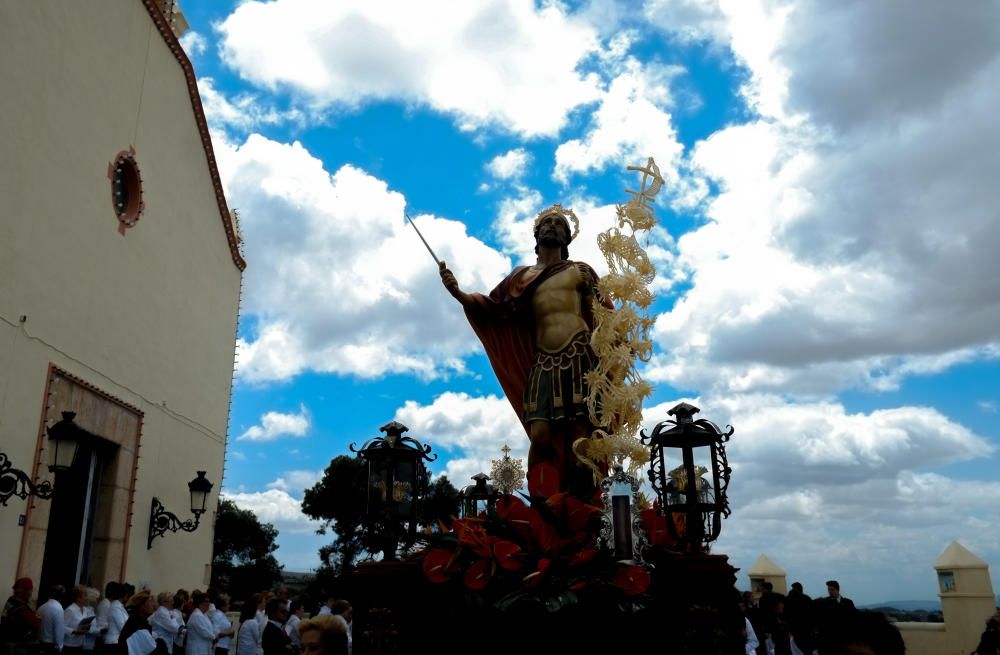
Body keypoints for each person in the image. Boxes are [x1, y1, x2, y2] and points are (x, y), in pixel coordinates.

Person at [440, 204, 611, 497]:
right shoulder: (521, 278)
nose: (553, 225)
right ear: (537, 234)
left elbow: (605, 315)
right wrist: (457, 293)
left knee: (580, 439)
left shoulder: (579, 270)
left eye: (559, 223)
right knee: (541, 436)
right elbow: (492, 308)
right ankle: (541, 504)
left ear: (567, 239)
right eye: (547, 222)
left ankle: (585, 510)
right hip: (544, 360)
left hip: (581, 357)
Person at [2, 577, 41, 646]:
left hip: (7, 639)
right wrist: (36, 618)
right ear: (24, 592)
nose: (31, 593)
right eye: (30, 590)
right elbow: (36, 625)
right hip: (18, 644)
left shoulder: (11, 600)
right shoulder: (22, 609)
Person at [64, 586, 98, 655]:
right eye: (85, 596)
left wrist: (87, 627)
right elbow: (62, 627)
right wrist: (74, 631)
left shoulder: (85, 609)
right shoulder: (70, 610)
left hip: (80, 644)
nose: (87, 598)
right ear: (78, 598)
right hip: (69, 645)